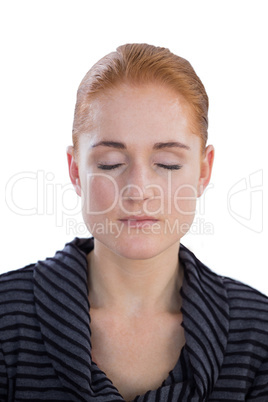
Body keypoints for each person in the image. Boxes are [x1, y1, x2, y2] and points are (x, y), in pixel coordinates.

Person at [0, 43, 267, 402]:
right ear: (76, 171)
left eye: (168, 164)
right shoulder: (5, 318)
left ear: (203, 171)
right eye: (110, 163)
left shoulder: (259, 334)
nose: (139, 191)